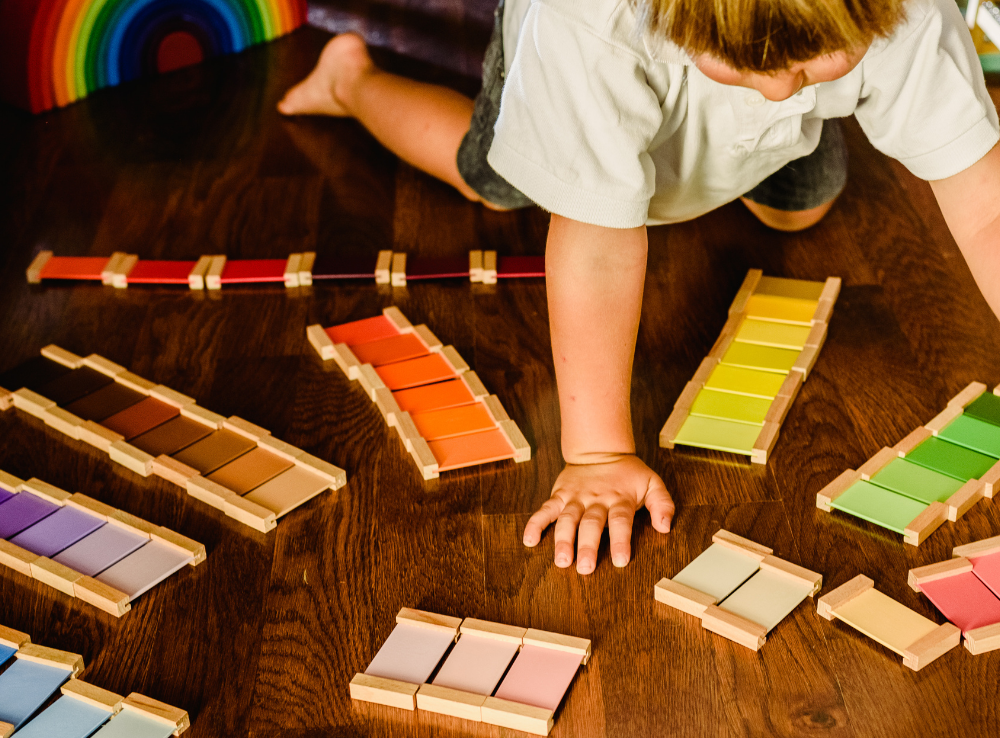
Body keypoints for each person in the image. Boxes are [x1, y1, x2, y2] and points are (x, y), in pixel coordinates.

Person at [279, 0, 1000, 574]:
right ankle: (351, 81)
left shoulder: (909, 12)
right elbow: (593, 246)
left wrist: (786, 86)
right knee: (495, 185)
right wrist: (596, 454)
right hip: (577, 70)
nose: (780, 87)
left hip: (723, 107)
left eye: (810, 66)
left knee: (801, 207)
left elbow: (987, 205)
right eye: (752, 66)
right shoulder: (587, 23)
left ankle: (737, 139)